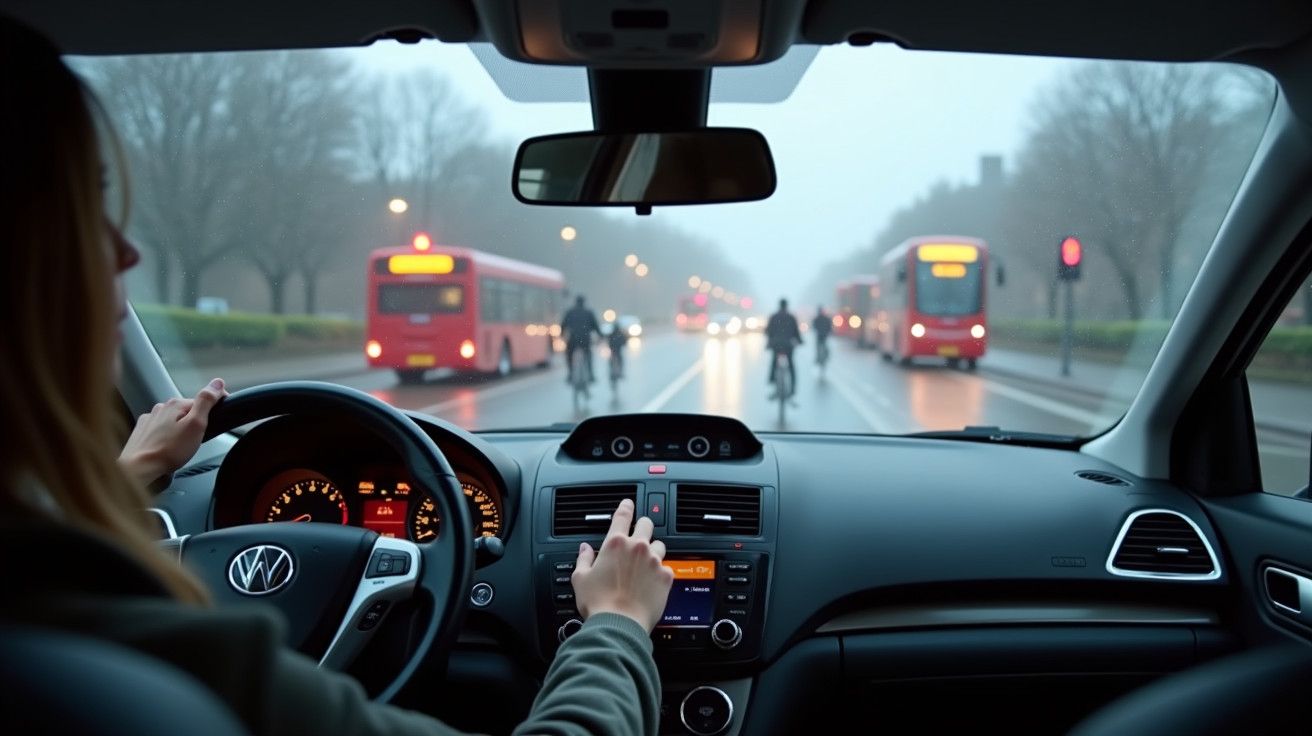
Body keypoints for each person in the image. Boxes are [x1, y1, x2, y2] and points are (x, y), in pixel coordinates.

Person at [0, 14, 674, 736]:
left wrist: (127, 471)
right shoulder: (171, 661)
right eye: (86, 207)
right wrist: (618, 622)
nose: (126, 253)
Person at [560, 295, 603, 385]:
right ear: (584, 302)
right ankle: (591, 375)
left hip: (573, 340)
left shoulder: (570, 312)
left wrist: (561, 336)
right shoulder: (589, 313)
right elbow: (596, 327)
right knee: (589, 356)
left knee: (569, 355)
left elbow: (563, 325)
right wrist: (601, 336)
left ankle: (570, 374)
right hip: (585, 340)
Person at [765, 298, 802, 397]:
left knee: (774, 362)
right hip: (788, 345)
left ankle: (772, 380)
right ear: (787, 306)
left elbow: (768, 331)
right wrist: (800, 341)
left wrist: (770, 342)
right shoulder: (791, 317)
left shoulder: (773, 317)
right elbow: (796, 332)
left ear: (779, 305)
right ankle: (793, 388)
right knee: (791, 365)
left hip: (776, 345)